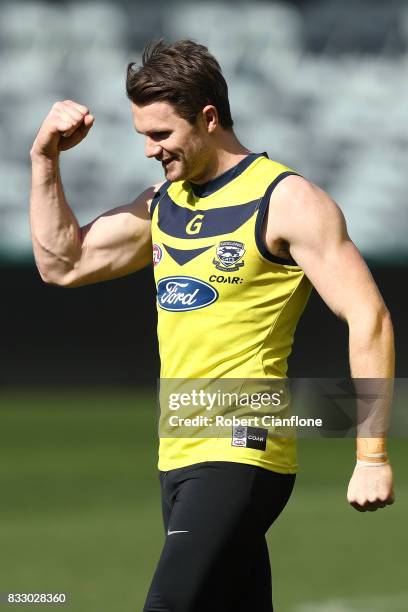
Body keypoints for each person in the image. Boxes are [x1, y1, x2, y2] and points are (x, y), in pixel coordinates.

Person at [30, 39, 395, 612]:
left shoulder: (287, 200)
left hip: (242, 448)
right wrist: (45, 160)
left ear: (208, 118)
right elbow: (62, 264)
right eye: (142, 135)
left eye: (161, 135)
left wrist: (370, 457)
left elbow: (368, 317)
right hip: (177, 453)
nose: (149, 150)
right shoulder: (162, 204)